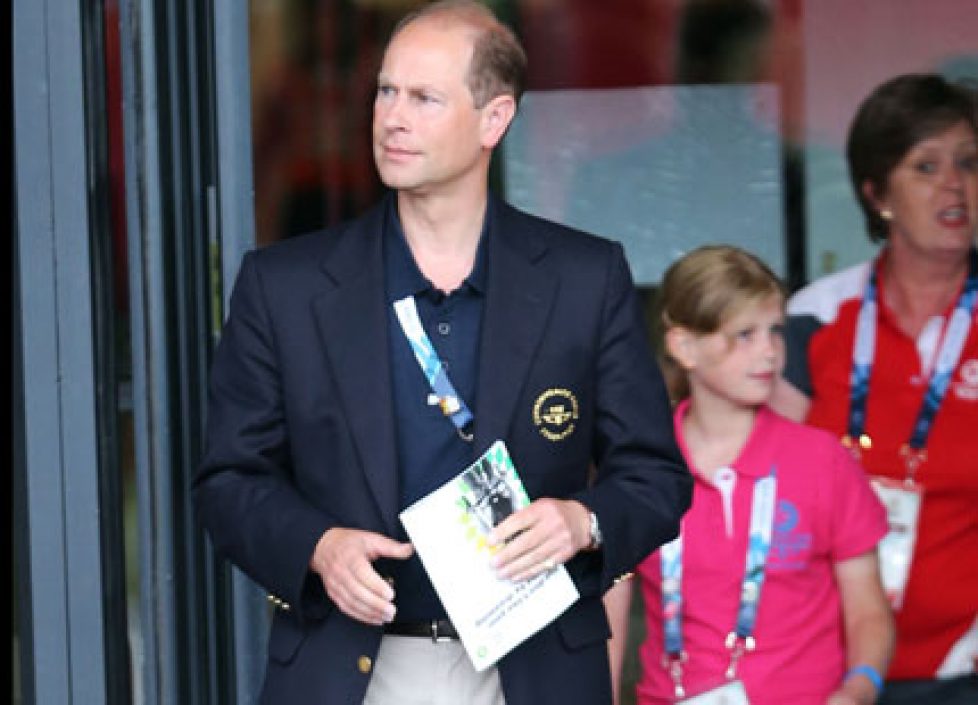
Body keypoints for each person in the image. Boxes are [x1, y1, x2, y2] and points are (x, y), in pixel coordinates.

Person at [192, 2, 692, 704]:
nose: (393, 117)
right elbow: (229, 480)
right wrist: (317, 546)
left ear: (495, 119)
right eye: (386, 91)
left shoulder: (585, 278)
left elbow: (654, 474)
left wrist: (584, 519)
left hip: (532, 666)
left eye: (425, 98)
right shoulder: (286, 287)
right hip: (356, 666)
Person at [606, 245, 893, 705]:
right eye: (744, 335)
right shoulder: (639, 465)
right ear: (684, 346)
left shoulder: (823, 460)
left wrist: (858, 689)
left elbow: (868, 609)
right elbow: (609, 617)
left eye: (775, 331)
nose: (769, 353)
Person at [770, 73, 978, 704]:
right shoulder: (816, 316)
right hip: (828, 668)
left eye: (969, 162)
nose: (955, 184)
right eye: (926, 166)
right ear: (876, 192)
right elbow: (768, 484)